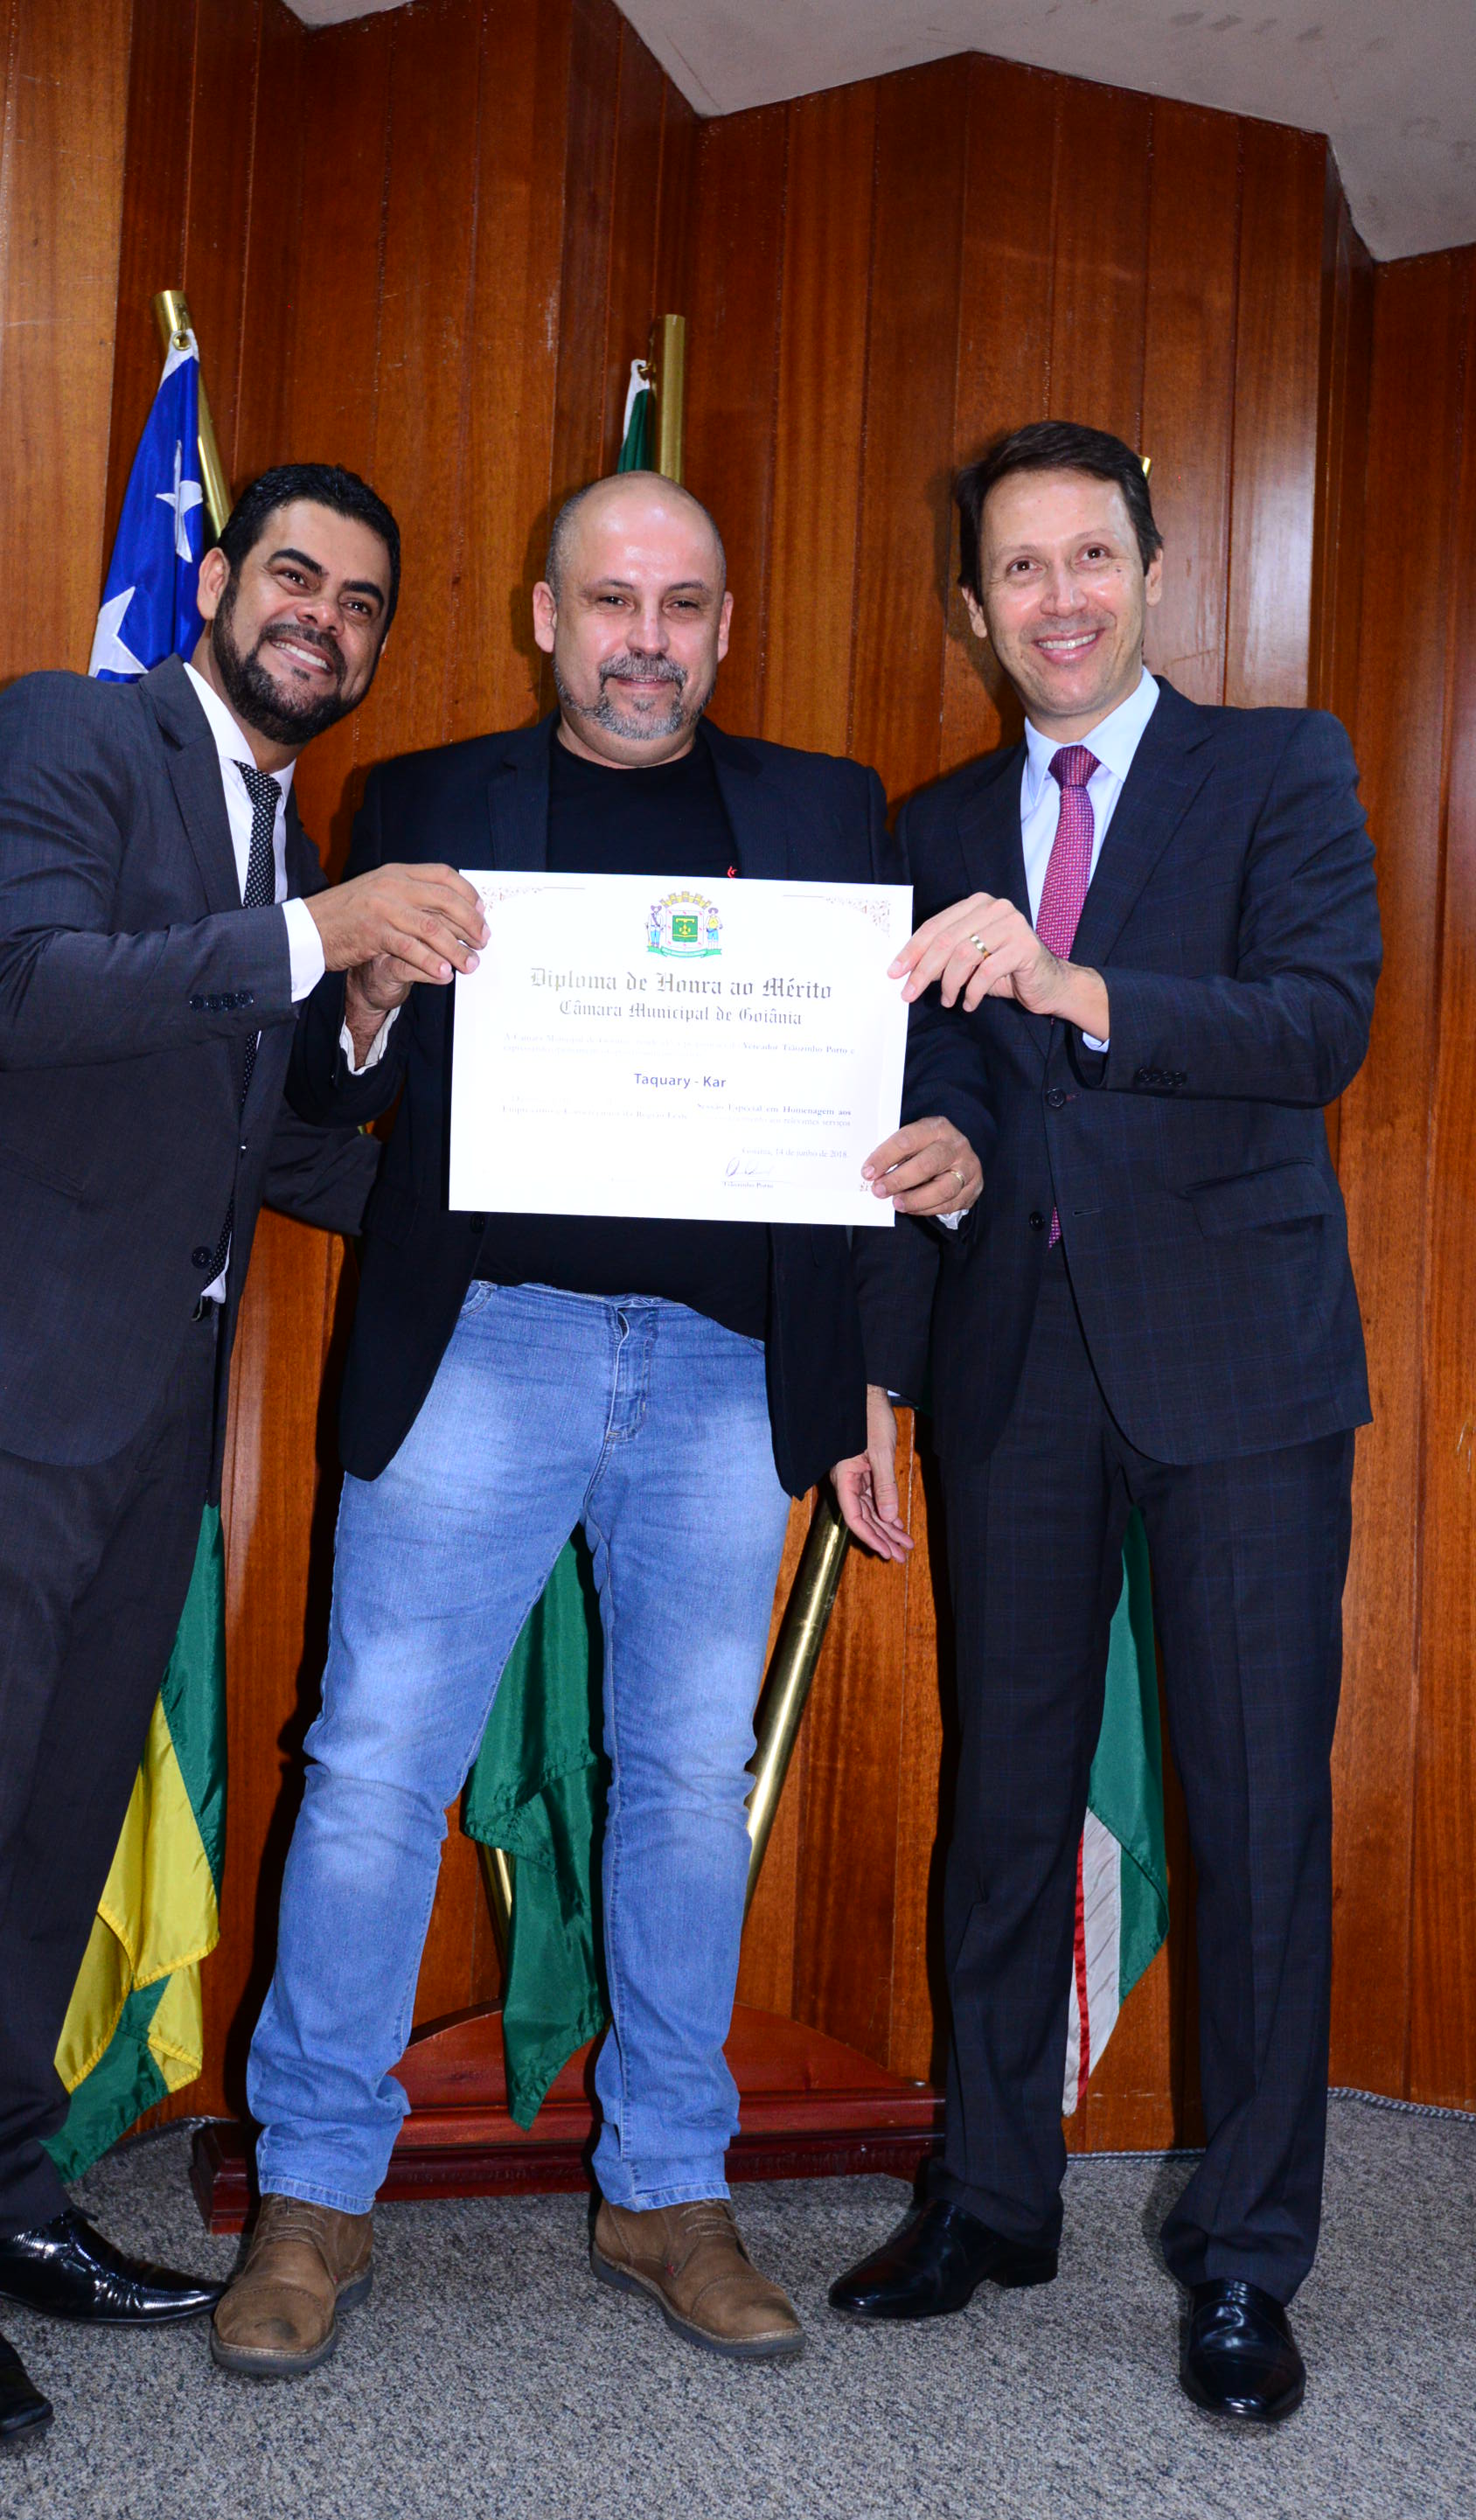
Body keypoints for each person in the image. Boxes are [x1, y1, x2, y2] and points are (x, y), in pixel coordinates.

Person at [210, 470, 993, 2377]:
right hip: (486, 1340)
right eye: (613, 603)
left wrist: (938, 1165)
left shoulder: (827, 811)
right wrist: (368, 982)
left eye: (683, 605)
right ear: (547, 619)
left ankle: (665, 2185)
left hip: (728, 1365)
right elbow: (328, 1083)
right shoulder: (423, 800)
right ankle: (312, 2191)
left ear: (721, 628)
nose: (648, 640)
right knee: (376, 1762)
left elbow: (915, 1058)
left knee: (687, 1783)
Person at [0, 462, 487, 2445]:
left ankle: (1, 2190)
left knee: (52, 1822)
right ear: (219, 581)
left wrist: (419, 1080)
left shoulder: (286, 847)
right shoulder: (64, 735)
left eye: (361, 602)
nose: (322, 618)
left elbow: (266, 1147)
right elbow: (25, 993)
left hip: (142, 1412)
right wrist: (316, 932)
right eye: (295, 576)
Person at [829, 422, 1381, 2425]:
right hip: (1009, 1369)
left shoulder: (1278, 766)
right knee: (1000, 1801)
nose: (1055, 596)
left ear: (1150, 572)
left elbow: (1315, 1021)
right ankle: (988, 2196)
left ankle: (1243, 2256)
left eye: (1089, 556)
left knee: (1252, 1815)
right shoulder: (929, 820)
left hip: (1238, 1366)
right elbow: (926, 1113)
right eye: (1017, 568)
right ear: (970, 608)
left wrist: (1069, 982)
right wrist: (879, 1366)